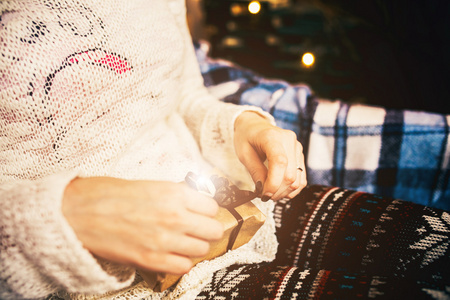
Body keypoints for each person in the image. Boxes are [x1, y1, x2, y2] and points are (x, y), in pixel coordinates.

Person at [0, 1, 448, 299]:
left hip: (233, 205)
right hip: (95, 284)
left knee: (439, 242)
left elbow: (181, 95)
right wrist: (65, 214)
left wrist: (241, 126)